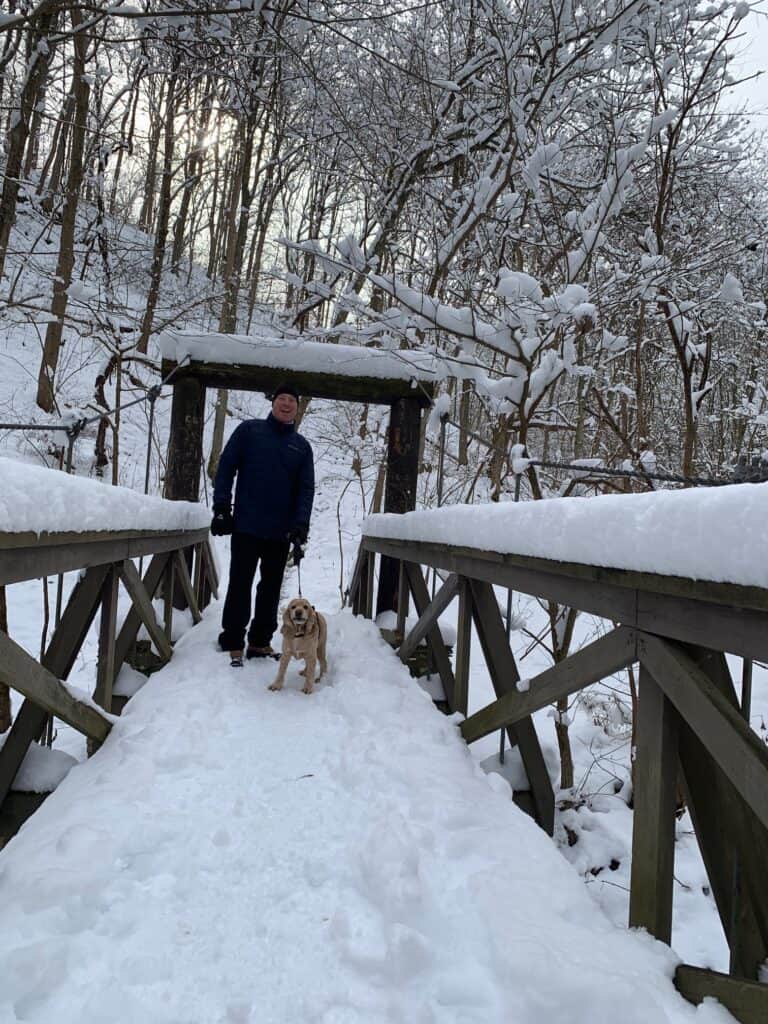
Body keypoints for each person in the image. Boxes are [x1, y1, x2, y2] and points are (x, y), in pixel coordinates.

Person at [211, 383, 314, 666]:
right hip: (246, 525)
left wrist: (300, 525)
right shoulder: (249, 431)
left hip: (280, 532)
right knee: (240, 583)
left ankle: (259, 642)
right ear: (273, 402)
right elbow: (227, 466)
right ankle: (232, 639)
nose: (286, 404)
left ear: (297, 407)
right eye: (282, 398)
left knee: (270, 588)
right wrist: (221, 507)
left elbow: (306, 490)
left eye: (291, 400)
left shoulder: (301, 447)